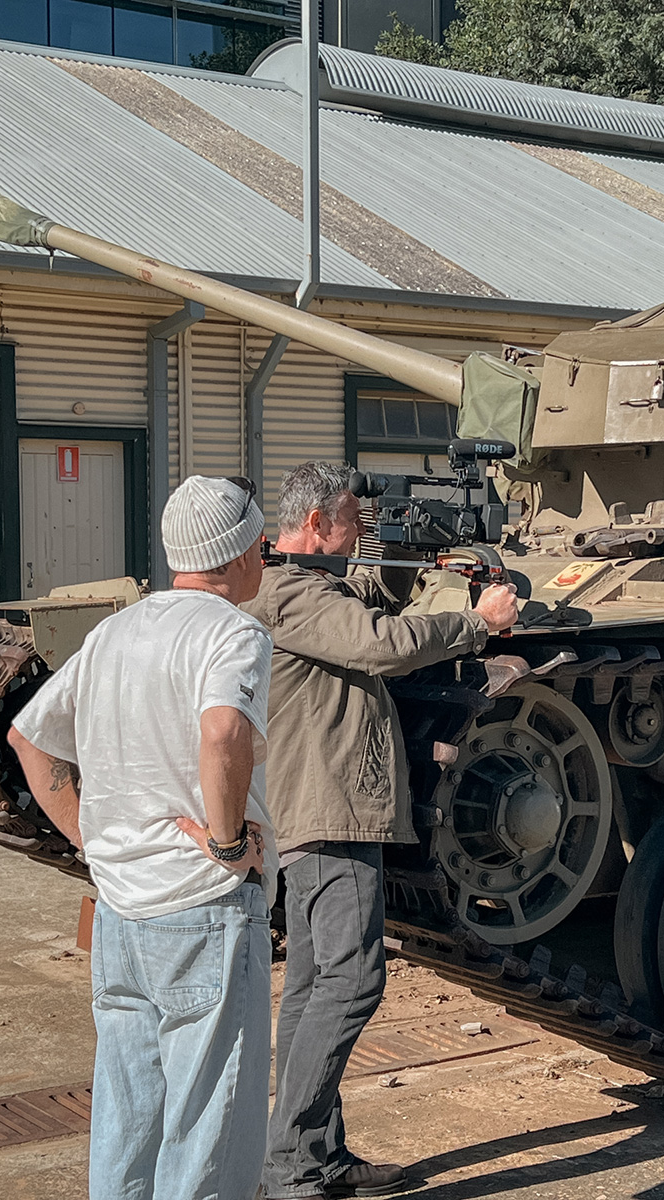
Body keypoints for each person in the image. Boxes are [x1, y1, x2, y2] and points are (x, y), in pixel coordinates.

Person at [244, 461, 519, 1200]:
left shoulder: (309, 583)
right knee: (354, 979)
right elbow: (379, 644)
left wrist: (406, 547)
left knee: (311, 984)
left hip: (324, 807)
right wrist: (478, 622)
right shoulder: (288, 591)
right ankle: (291, 1165)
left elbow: (367, 596)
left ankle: (315, 1156)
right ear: (312, 526)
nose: (360, 529)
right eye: (351, 520)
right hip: (327, 809)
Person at [8, 474, 277, 1200]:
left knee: (128, 1124)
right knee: (209, 1137)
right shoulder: (234, 631)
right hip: (203, 909)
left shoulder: (113, 632)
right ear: (241, 552)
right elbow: (223, 730)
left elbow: (28, 738)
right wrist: (226, 844)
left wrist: (93, 839)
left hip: (121, 911)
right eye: (263, 543)